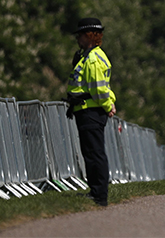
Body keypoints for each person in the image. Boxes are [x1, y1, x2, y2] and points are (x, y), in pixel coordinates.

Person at [67, 17, 116, 207]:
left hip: (91, 111)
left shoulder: (93, 59)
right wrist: (110, 103)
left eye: (80, 34)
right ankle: (95, 191)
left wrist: (106, 105)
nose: (77, 38)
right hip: (88, 110)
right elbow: (104, 88)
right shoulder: (89, 56)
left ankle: (99, 194)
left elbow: (98, 88)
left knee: (94, 153)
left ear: (90, 35)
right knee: (91, 152)